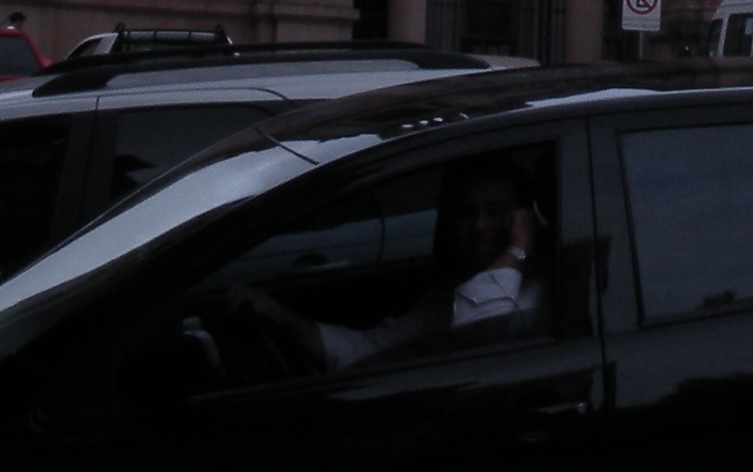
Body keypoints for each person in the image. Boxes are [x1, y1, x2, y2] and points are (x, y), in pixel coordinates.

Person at [231, 158, 547, 374]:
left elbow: (480, 342)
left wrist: (517, 250)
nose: (479, 226)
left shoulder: (540, 293)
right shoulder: (449, 292)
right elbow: (373, 350)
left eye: (496, 212)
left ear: (524, 220)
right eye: (467, 213)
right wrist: (281, 317)